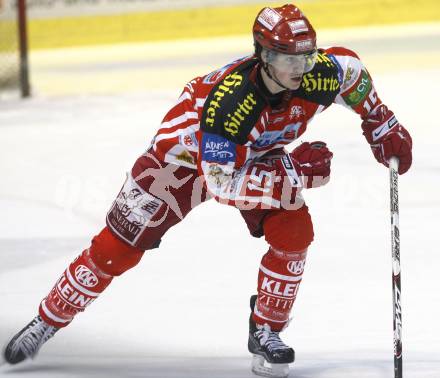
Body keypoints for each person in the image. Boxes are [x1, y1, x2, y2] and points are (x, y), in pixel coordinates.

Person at [3, 4, 412, 378]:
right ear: (264, 55)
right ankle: (48, 320)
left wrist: (380, 122)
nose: (301, 67)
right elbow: (220, 185)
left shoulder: (317, 72)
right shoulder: (232, 102)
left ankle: (266, 330)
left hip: (249, 156)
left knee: (295, 233)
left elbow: (352, 74)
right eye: (289, 58)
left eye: (306, 56)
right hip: (179, 163)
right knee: (117, 248)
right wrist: (293, 170)